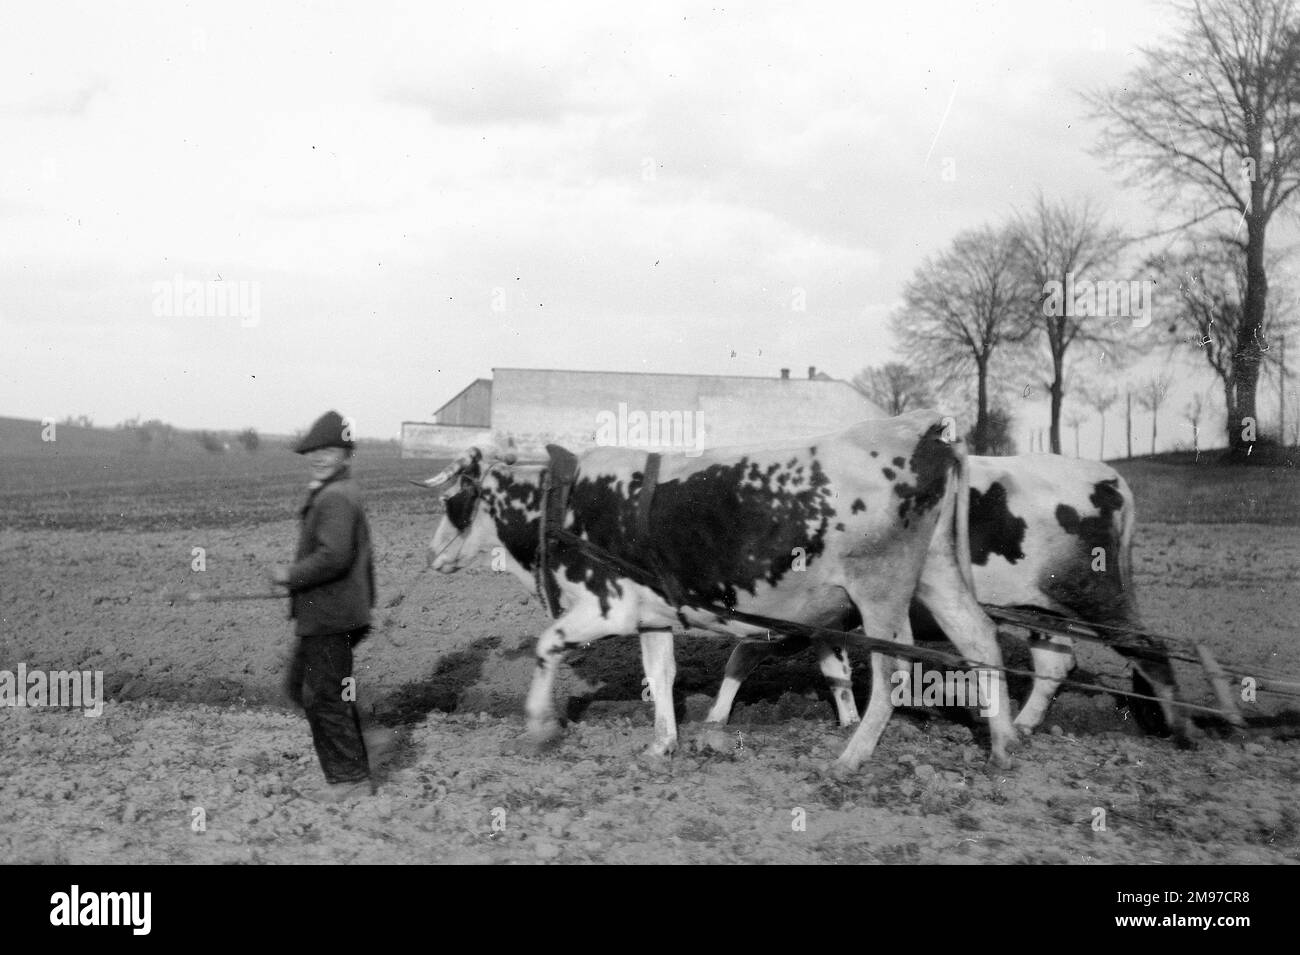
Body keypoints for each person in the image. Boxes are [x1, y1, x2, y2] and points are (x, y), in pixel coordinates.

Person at [270, 410, 379, 802]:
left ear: (345, 454)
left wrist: (290, 575)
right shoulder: (335, 490)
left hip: (332, 614)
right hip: (330, 610)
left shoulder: (335, 497)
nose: (320, 457)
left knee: (322, 696)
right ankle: (365, 742)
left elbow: (333, 557)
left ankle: (350, 779)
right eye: (314, 450)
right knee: (302, 687)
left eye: (330, 450)